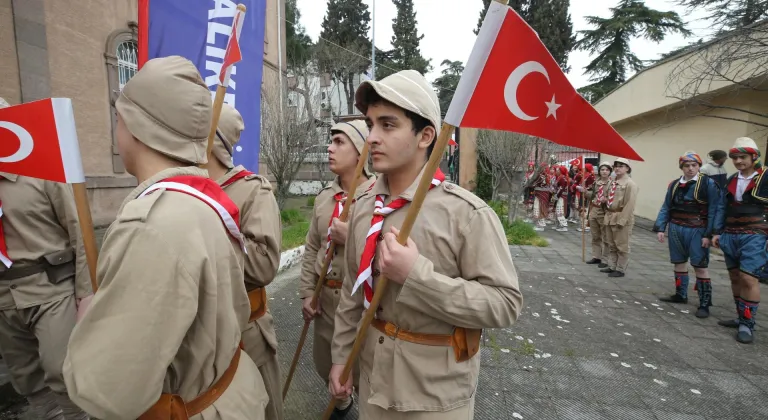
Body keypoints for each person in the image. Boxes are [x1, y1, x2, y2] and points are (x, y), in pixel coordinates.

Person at [63, 56, 268, 418]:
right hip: (229, 396)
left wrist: (92, 327)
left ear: (133, 126)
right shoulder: (204, 202)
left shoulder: (150, 226)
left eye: (118, 117)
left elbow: (107, 390)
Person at [328, 70, 523, 419]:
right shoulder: (364, 208)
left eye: (388, 125)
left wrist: (417, 277)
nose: (372, 137)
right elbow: (351, 293)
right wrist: (341, 356)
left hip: (435, 398)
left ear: (426, 136)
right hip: (372, 384)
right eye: (370, 124)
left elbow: (504, 304)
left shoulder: (466, 214)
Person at [0, 98, 90, 420]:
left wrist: (87, 292)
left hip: (51, 288)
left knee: (62, 369)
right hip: (4, 297)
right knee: (27, 379)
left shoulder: (42, 173)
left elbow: (80, 231)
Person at [205, 104, 283, 420]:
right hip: (200, 339)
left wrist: (204, 236)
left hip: (245, 335)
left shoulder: (252, 191)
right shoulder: (180, 189)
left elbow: (264, 264)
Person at [298, 119, 375, 419]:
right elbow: (312, 247)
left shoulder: (377, 197)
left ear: (360, 152)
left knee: (361, 370)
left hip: (359, 303)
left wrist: (352, 236)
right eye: (331, 141)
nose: (330, 148)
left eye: (339, 142)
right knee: (324, 364)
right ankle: (343, 406)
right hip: (326, 299)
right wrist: (308, 293)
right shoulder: (324, 198)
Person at [652, 151, 720, 318]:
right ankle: (680, 294)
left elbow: (714, 210)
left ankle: (704, 303)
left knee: (700, 266)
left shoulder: (708, 183)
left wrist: (709, 234)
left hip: (697, 228)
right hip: (676, 227)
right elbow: (666, 206)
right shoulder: (675, 184)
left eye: (694, 165)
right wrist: (661, 227)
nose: (690, 168)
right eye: (686, 165)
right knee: (678, 262)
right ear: (681, 167)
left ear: (699, 166)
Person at [713, 137, 766, 344]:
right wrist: (717, 232)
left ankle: (747, 324)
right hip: (731, 233)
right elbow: (722, 207)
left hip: (756, 234)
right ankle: (740, 316)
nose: (738, 161)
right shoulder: (732, 179)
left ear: (754, 157)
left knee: (748, 278)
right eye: (735, 158)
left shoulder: (766, 177)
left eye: (742, 157)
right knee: (735, 277)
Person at [601, 158, 640, 278]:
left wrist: (622, 220)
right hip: (610, 215)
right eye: (616, 166)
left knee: (621, 245)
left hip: (621, 216)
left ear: (627, 168)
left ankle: (620, 268)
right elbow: (609, 197)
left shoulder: (630, 184)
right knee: (611, 243)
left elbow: (630, 204)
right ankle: (612, 265)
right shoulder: (613, 182)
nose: (617, 168)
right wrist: (605, 200)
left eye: (621, 166)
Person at [586, 162, 613, 266]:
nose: (604, 172)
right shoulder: (596, 183)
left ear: (610, 171)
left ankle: (605, 259)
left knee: (606, 237)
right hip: (594, 210)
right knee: (595, 236)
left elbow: (614, 199)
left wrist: (606, 199)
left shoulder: (612, 184)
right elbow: (592, 196)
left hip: (604, 212)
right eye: (602, 169)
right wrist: (585, 192)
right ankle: (596, 256)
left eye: (607, 170)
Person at [573, 163, 596, 233]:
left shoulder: (590, 176)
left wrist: (584, 189)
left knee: (585, 210)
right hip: (582, 194)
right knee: (581, 209)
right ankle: (582, 225)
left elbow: (591, 187)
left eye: (584, 168)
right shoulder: (584, 175)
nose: (583, 169)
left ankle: (585, 226)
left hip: (586, 196)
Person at [532, 164, 551, 231]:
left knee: (539, 208)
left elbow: (533, 184)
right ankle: (540, 224)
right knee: (542, 208)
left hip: (540, 194)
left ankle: (540, 226)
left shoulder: (541, 176)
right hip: (545, 195)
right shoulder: (548, 176)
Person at [552, 166, 570, 232]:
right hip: (561, 196)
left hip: (561, 197)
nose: (556, 171)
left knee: (560, 211)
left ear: (561, 171)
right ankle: (559, 225)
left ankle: (564, 226)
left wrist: (557, 196)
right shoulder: (561, 177)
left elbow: (561, 188)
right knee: (558, 210)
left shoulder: (562, 178)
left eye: (558, 170)